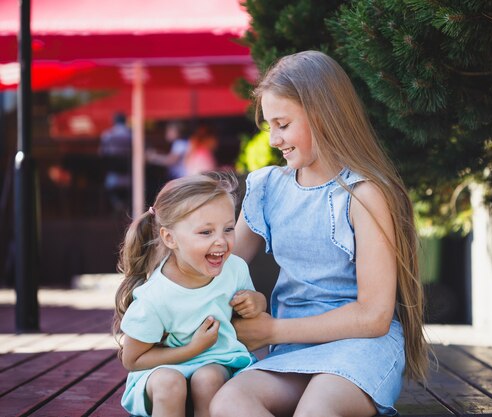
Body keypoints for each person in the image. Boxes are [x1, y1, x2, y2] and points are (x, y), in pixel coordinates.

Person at [209, 50, 429, 417]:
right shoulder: (267, 186)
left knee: (317, 409)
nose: (274, 139)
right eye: (269, 127)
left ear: (324, 115)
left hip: (361, 347)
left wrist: (271, 331)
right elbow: (222, 263)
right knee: (228, 402)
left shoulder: (364, 194)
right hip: (293, 351)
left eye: (283, 124)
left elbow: (374, 315)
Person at [112, 172, 267, 417]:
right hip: (162, 367)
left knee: (208, 378)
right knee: (169, 384)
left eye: (228, 229)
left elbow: (252, 307)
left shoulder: (234, 268)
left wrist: (257, 302)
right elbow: (132, 359)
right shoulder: (156, 295)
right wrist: (193, 349)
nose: (221, 241)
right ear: (170, 238)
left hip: (220, 361)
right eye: (206, 232)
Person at [100, 112, 132, 212]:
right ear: (125, 121)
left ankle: (117, 206)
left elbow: (102, 153)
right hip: (129, 173)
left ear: (114, 121)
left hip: (113, 174)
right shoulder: (132, 134)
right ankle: (126, 209)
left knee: (111, 190)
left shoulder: (107, 134)